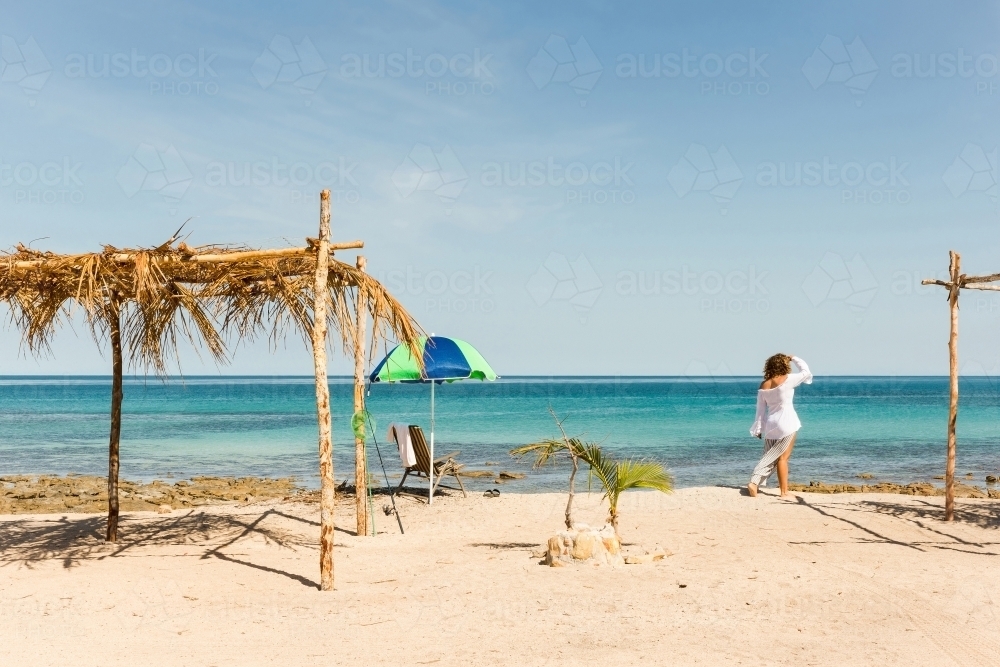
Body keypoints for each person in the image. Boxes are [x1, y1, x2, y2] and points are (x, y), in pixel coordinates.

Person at [748, 353, 812, 498]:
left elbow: (760, 411)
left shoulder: (764, 384)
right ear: (784, 365)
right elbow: (806, 372)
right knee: (783, 458)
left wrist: (758, 429)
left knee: (769, 457)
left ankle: (755, 482)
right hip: (787, 422)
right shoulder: (788, 379)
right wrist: (795, 358)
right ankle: (783, 492)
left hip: (771, 424)